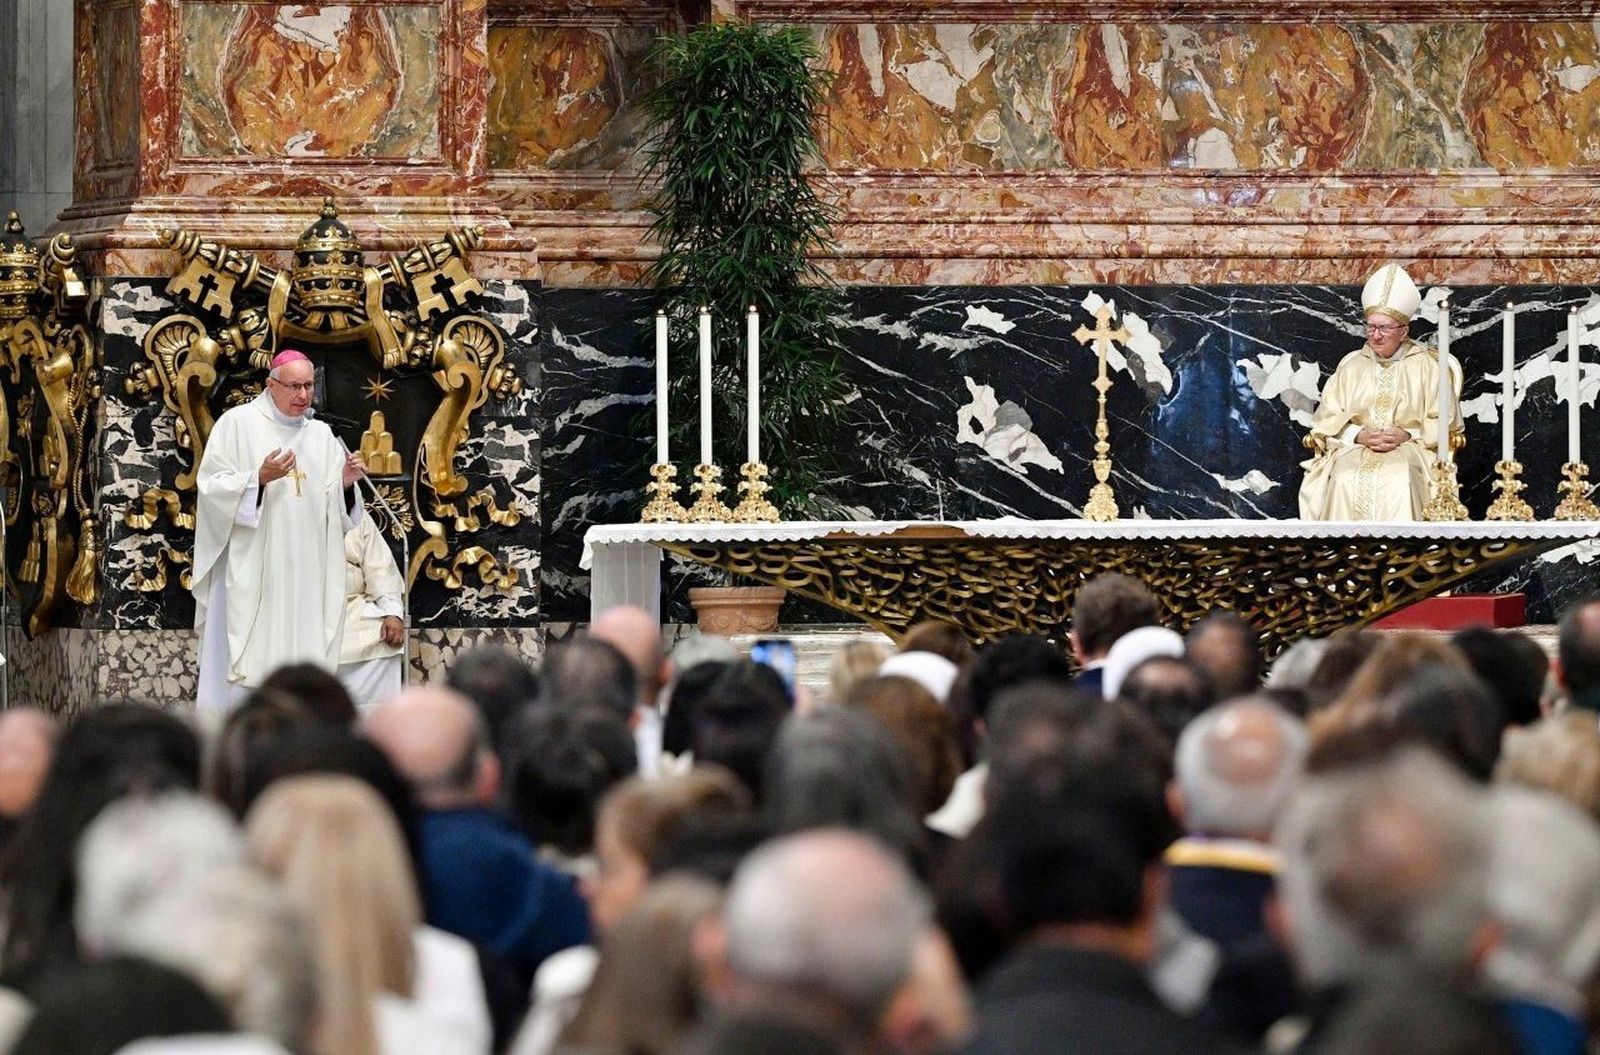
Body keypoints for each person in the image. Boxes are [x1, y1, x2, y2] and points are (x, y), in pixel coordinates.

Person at [193, 349, 367, 712]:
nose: (303, 395)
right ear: (270, 385)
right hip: (253, 566)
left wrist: (346, 484)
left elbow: (336, 511)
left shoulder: (321, 435)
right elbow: (210, 487)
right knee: (249, 652)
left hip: (307, 573)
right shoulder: (236, 424)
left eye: (309, 386)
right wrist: (257, 479)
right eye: (294, 386)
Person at [1299, 262, 1462, 521]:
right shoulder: (1352, 366)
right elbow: (1326, 420)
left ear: (1404, 331)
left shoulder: (1428, 367)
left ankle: (1405, 547)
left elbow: (1444, 421)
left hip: (1410, 448)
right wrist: (1357, 434)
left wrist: (1407, 434)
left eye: (1384, 328)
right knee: (1342, 476)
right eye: (1371, 327)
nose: (1375, 336)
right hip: (1354, 448)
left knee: (1400, 476)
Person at [338, 513, 406, 710]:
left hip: (351, 607)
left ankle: (375, 727)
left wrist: (393, 613)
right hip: (300, 612)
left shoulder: (354, 513)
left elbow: (380, 569)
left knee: (383, 638)